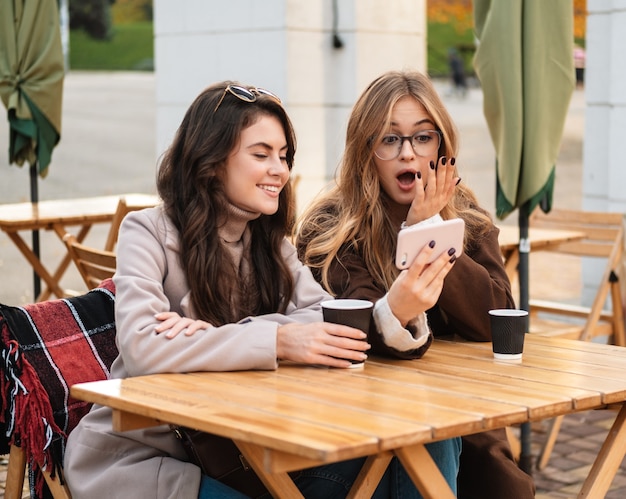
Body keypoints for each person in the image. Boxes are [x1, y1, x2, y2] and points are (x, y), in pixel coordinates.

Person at [64, 80, 460, 499]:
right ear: (212, 159)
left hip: (245, 448)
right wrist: (280, 337)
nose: (280, 170)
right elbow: (144, 348)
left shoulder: (271, 246)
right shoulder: (147, 232)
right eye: (261, 154)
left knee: (423, 438)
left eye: (284, 156)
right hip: (150, 459)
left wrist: (225, 335)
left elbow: (326, 321)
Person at [296, 69, 536, 499]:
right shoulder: (331, 226)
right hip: (359, 419)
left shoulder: (470, 220)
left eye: (422, 138)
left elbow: (497, 319)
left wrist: (432, 229)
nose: (408, 153)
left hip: (463, 416)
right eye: (390, 140)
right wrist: (411, 257)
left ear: (442, 148)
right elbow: (355, 323)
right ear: (365, 150)